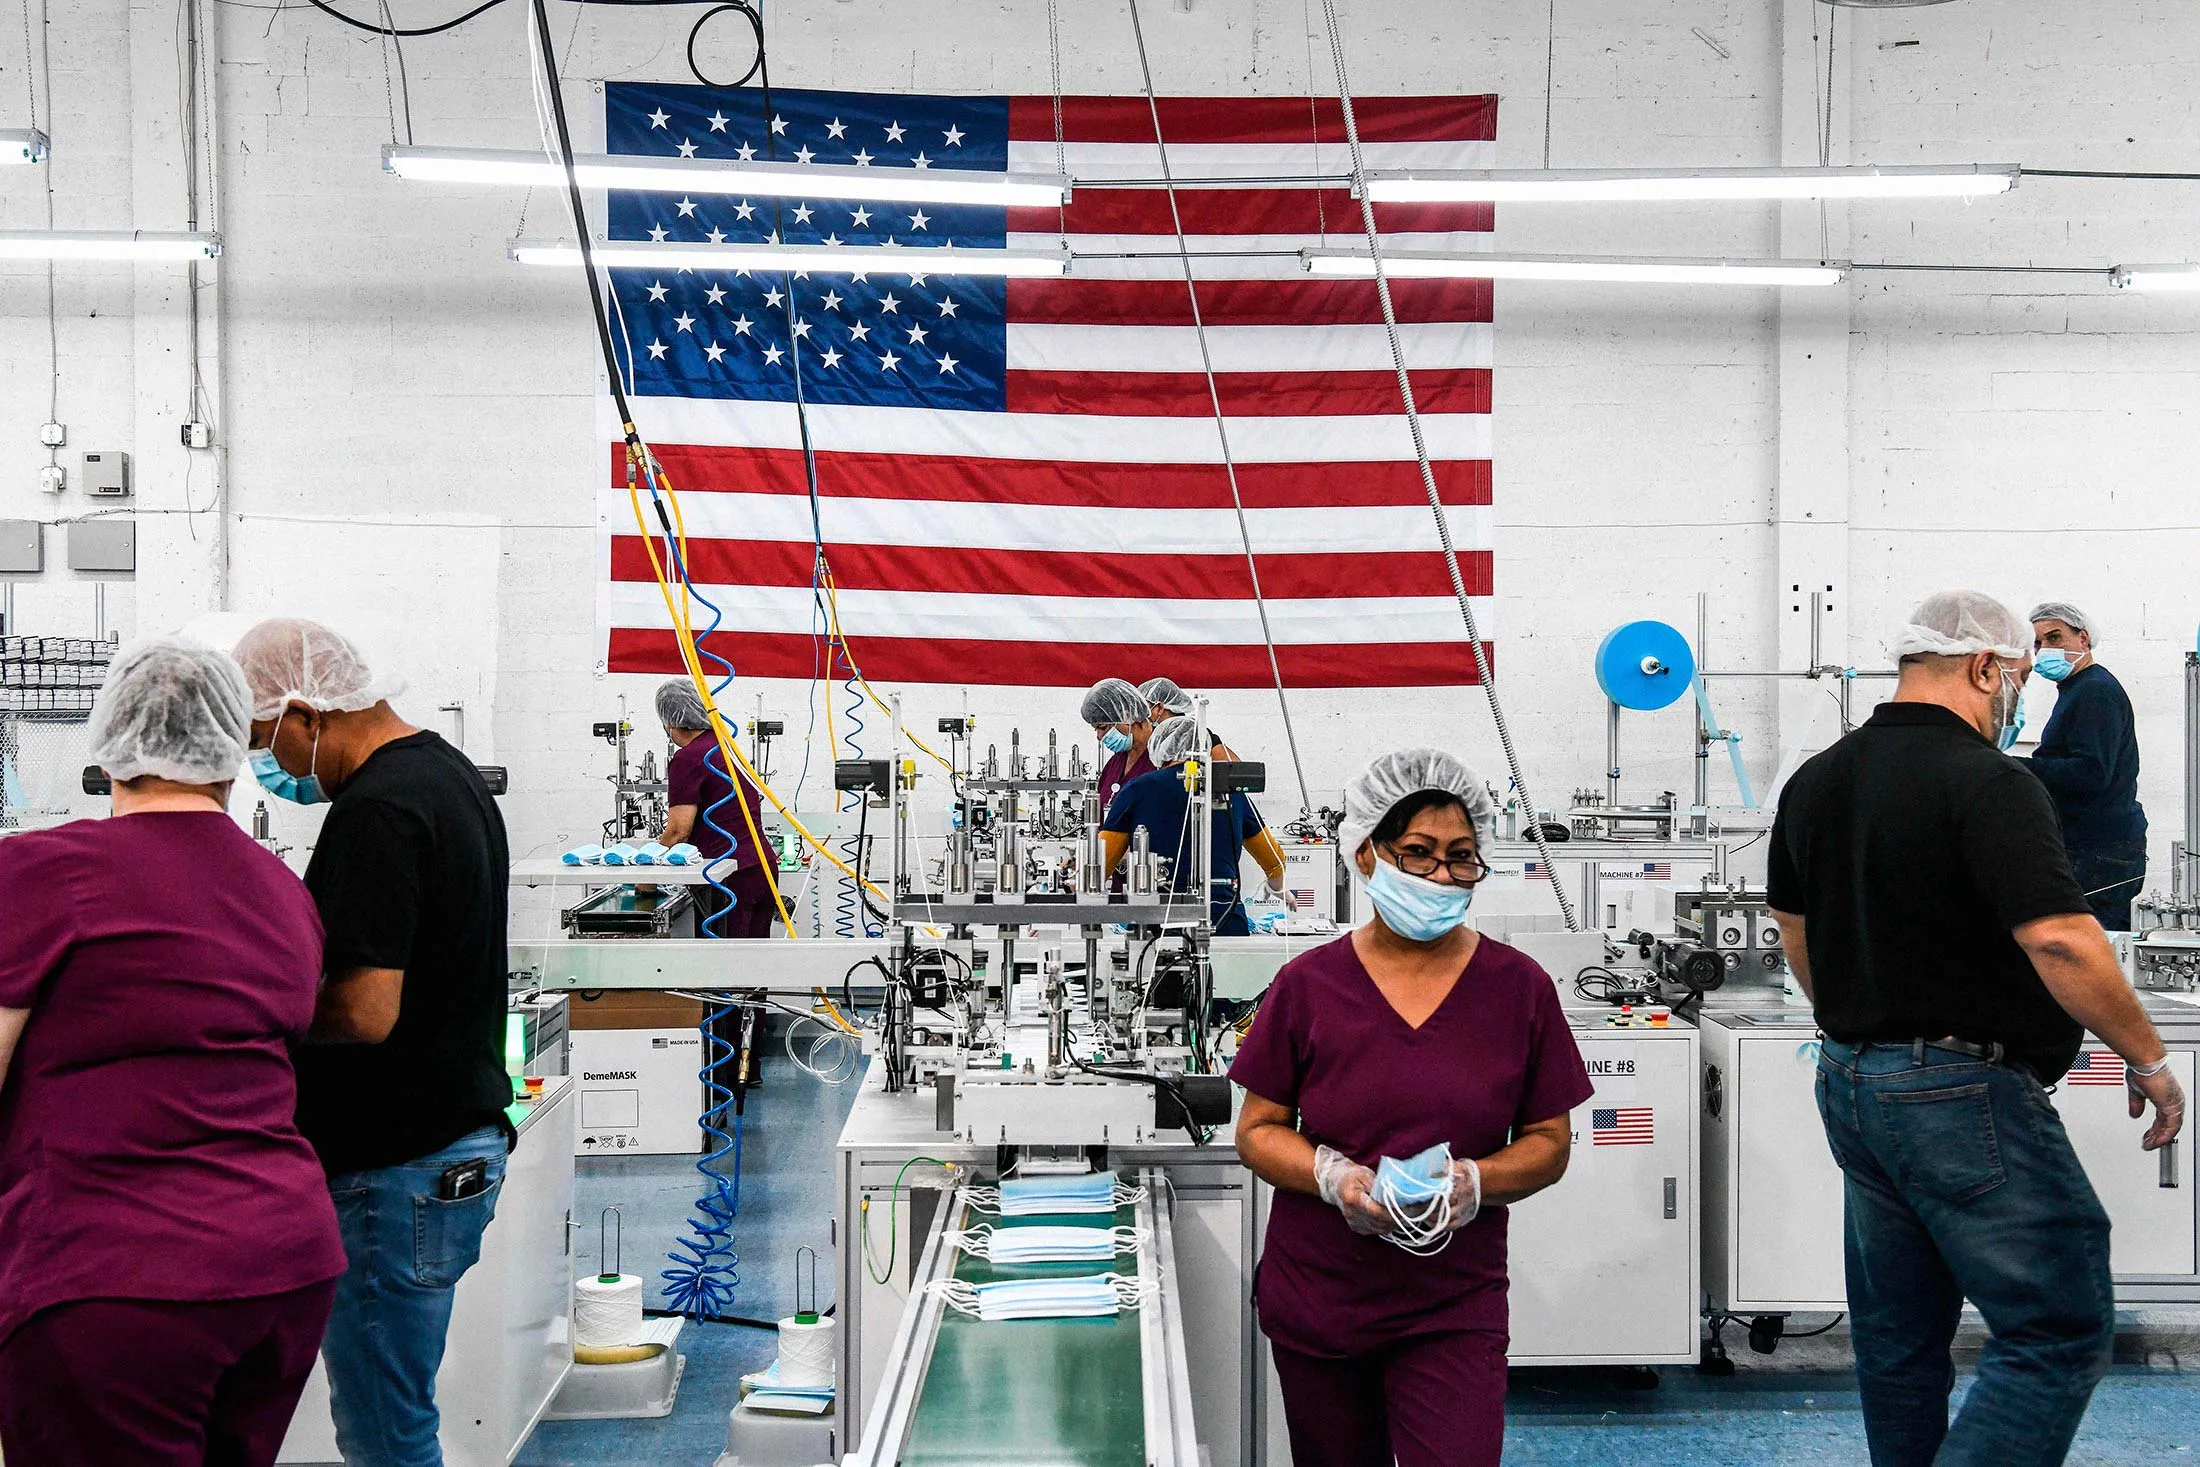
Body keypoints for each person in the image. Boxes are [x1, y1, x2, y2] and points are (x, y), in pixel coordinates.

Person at [1767, 589, 2185, 1467]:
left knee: (1899, 1343)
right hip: (1963, 1091)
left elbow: (1793, 930)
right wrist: (2146, 1057)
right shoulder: (1993, 783)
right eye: (2020, 677)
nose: (2018, 700)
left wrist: (1858, 1023)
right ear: (1985, 668)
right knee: (2061, 1327)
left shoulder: (1817, 778)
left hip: (1851, 1082)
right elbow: (2063, 938)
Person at [0, 637, 344, 1465]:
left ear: (109, 739)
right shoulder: (284, 893)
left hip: (115, 1279)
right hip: (283, 1267)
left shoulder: (40, 872)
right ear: (235, 748)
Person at [1228, 749, 1592, 1467]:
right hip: (1323, 1295)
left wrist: (1475, 1182)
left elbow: (1550, 1138)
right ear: (1366, 854)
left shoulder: (1518, 988)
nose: (1441, 876)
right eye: (1418, 854)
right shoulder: (1309, 984)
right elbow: (1258, 1130)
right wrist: (1335, 1176)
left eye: (1461, 857)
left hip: (1452, 1302)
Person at [235, 618, 514, 1467]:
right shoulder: (447, 776)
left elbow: (364, 1010)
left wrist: (253, 1015)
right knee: (397, 1413)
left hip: (393, 1171)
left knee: (386, 1435)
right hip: (443, 1150)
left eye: (261, 737)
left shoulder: (378, 811)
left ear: (304, 712)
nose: (264, 762)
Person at [1101, 714, 1286, 934]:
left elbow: (1100, 864)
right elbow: (1275, 860)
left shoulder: (1137, 789)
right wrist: (1275, 888)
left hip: (1156, 925)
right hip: (1225, 920)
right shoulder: (1231, 793)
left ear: (1159, 747)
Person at [2028, 601, 2147, 930]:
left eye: (2054, 638)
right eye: (2038, 643)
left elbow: (2091, 772)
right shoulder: (2077, 689)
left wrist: (2019, 767)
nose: (2044, 649)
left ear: (2083, 638)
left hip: (2101, 851)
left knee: (2091, 948)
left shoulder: (2094, 692)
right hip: (2096, 846)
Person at [655, 678, 779, 938]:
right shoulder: (725, 746)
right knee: (755, 966)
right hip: (761, 869)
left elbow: (678, 831)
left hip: (730, 878)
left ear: (670, 722)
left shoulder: (688, 758)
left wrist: (644, 878)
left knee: (724, 968)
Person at [1083, 676, 1153, 811]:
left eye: (1103, 727)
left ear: (1128, 716)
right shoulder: (1116, 763)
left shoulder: (1161, 759)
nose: (1099, 736)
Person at [1138, 674, 1241, 759]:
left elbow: (1234, 768)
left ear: (1159, 708)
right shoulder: (1149, 739)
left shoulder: (1196, 735)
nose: (1139, 716)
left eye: (1143, 708)